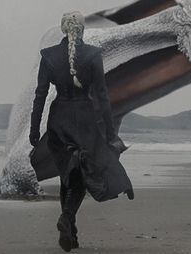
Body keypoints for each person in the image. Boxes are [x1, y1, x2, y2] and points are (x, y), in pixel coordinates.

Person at [29, 11, 134, 252]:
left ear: (64, 29)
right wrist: (109, 131)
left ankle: (71, 231)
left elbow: (41, 94)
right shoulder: (93, 55)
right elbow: (102, 96)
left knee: (69, 173)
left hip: (59, 121)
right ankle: (67, 219)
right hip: (85, 121)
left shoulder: (49, 56)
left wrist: (35, 129)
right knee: (80, 174)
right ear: (83, 29)